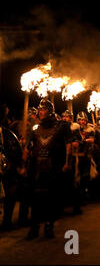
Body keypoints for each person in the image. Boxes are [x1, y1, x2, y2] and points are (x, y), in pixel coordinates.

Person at [23, 99, 72, 239]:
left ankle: (49, 226)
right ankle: (34, 227)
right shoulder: (35, 129)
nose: (40, 112)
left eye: (43, 109)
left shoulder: (61, 127)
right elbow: (28, 147)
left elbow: (69, 145)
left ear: (50, 111)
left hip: (53, 167)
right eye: (40, 109)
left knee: (51, 198)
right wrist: (23, 164)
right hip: (37, 168)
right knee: (35, 199)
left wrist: (67, 162)